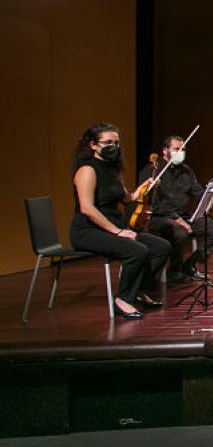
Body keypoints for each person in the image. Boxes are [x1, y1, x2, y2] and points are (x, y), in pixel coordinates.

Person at [69, 123, 171, 319]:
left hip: (113, 226)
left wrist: (144, 187)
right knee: (136, 249)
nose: (113, 146)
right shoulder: (87, 170)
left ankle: (139, 291)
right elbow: (87, 208)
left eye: (116, 143)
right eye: (108, 142)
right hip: (88, 230)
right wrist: (117, 232)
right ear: (93, 145)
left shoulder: (113, 170)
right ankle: (123, 299)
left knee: (161, 247)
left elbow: (128, 198)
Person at [138, 135, 213, 282]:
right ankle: (175, 271)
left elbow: (198, 193)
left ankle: (190, 264)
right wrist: (176, 219)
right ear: (165, 150)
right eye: (177, 149)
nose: (181, 152)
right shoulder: (152, 171)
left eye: (183, 149)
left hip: (184, 216)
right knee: (179, 232)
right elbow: (154, 204)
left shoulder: (186, 171)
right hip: (159, 218)